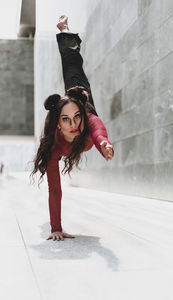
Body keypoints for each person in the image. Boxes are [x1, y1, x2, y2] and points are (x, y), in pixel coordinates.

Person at [31, 15, 114, 241]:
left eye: (76, 118)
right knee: (73, 70)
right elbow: (55, 190)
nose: (74, 125)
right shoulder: (54, 147)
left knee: (73, 68)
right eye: (66, 120)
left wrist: (104, 145)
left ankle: (65, 31)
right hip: (72, 108)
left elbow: (98, 134)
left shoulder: (88, 122)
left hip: (83, 101)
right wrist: (55, 228)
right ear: (58, 123)